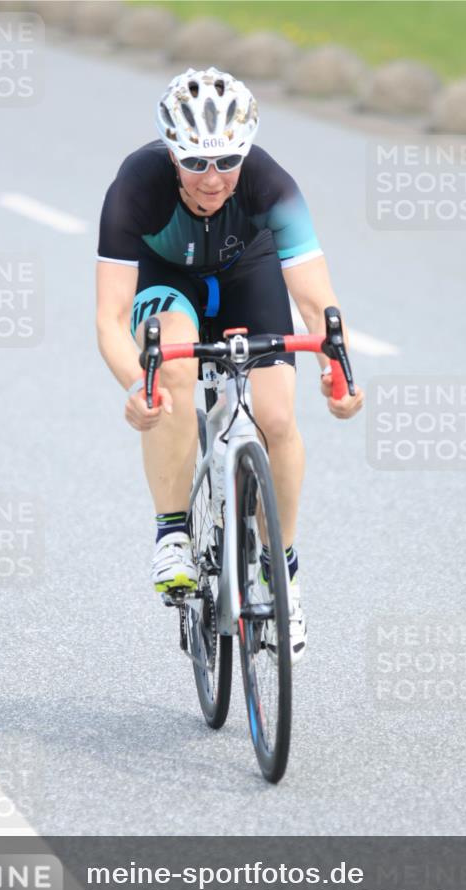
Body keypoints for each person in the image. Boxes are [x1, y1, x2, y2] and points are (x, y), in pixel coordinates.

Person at [96, 67, 363, 664]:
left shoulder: (271, 184)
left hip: (249, 275)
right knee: (172, 370)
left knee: (277, 416)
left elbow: (317, 302)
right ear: (171, 154)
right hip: (168, 280)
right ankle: (172, 531)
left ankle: (282, 570)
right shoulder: (136, 185)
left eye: (226, 162)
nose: (212, 180)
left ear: (246, 151)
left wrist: (340, 374)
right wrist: (133, 388)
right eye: (195, 164)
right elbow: (110, 319)